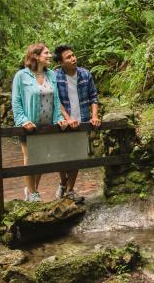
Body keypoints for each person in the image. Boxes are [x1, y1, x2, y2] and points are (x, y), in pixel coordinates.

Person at [12, 43, 67, 202]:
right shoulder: (21, 76)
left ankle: (32, 190)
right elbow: (16, 102)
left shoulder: (51, 75)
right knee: (30, 157)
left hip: (46, 126)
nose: (50, 56)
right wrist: (23, 121)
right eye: (46, 53)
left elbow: (56, 100)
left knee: (41, 158)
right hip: (29, 126)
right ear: (36, 56)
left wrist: (59, 119)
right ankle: (32, 192)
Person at [53, 44, 100, 202]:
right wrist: (67, 118)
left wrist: (94, 116)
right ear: (61, 62)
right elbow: (56, 100)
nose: (73, 59)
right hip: (63, 123)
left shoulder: (85, 74)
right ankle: (63, 183)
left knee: (77, 157)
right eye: (68, 57)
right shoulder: (55, 76)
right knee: (61, 157)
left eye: (73, 55)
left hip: (82, 121)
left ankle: (70, 190)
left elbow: (93, 96)